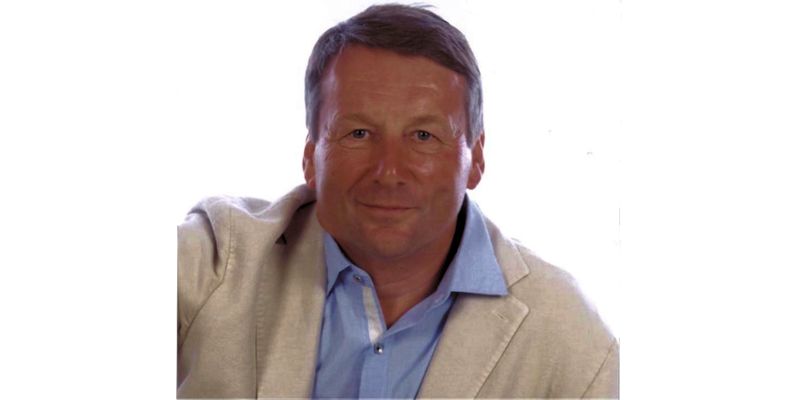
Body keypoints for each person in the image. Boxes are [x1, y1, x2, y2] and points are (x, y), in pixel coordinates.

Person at [177, 4, 618, 398]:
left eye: (423, 136)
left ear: (477, 158)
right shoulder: (217, 261)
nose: (388, 172)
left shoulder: (571, 340)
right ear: (311, 156)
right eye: (358, 134)